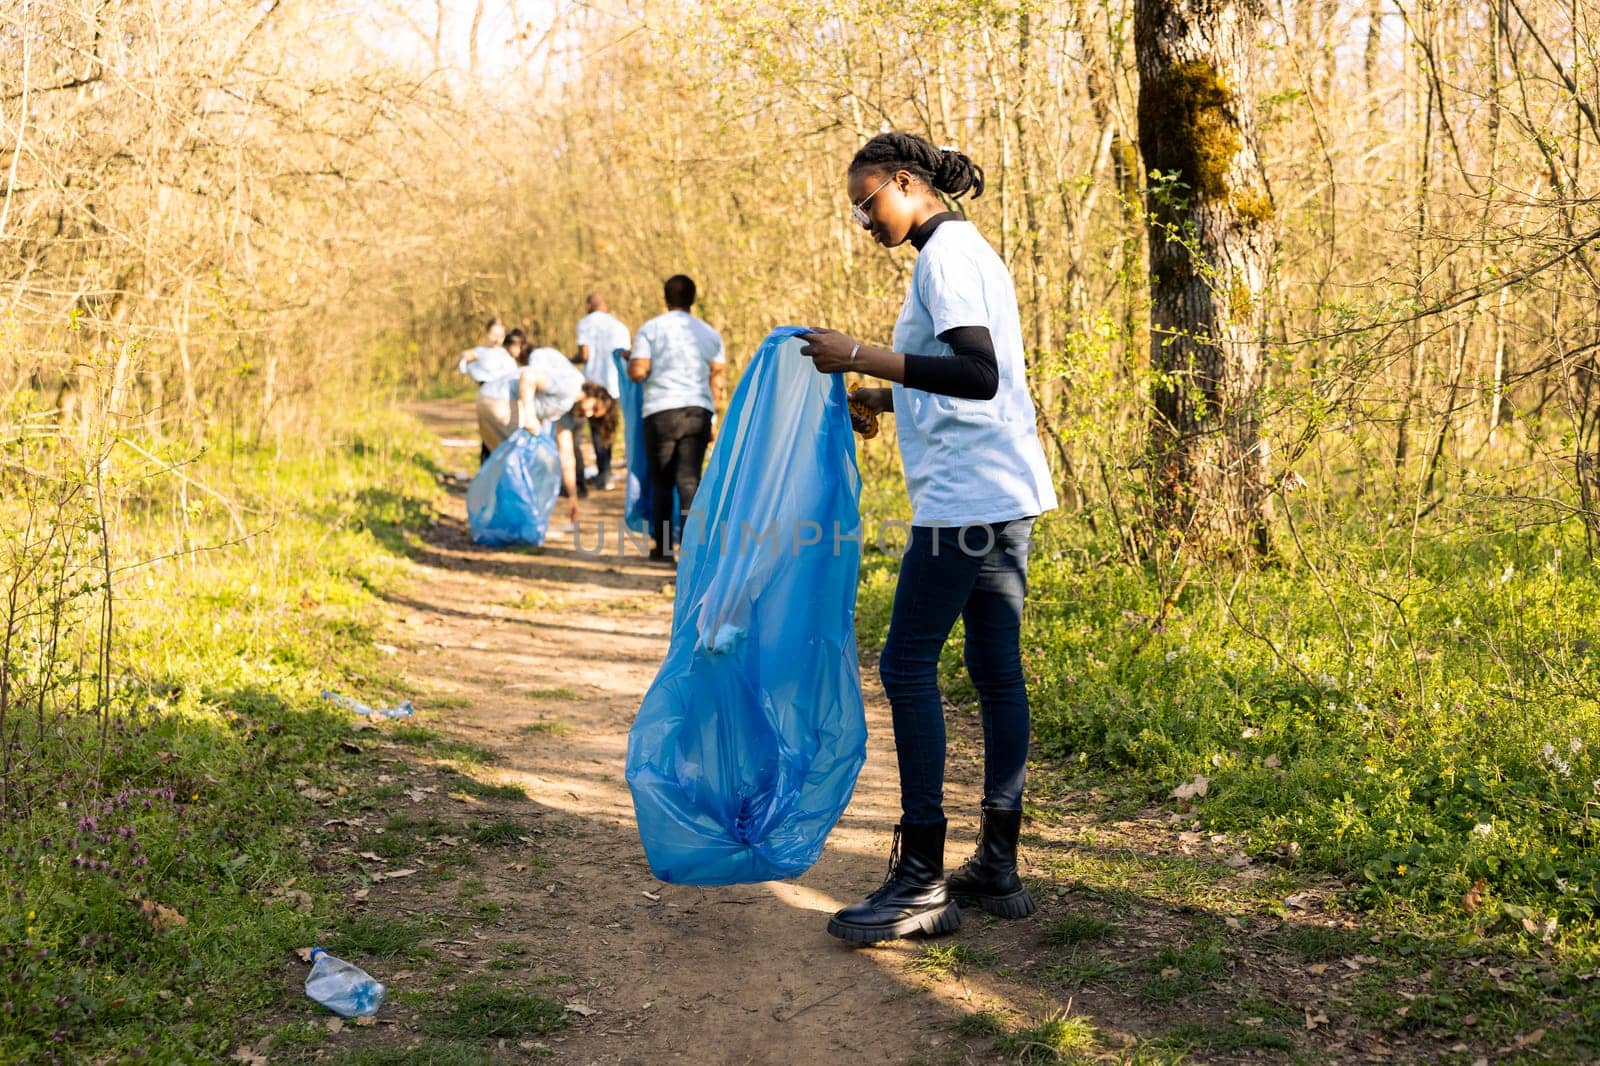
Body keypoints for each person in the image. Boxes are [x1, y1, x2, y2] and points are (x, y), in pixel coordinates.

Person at [799, 132, 1058, 944]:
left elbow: (978, 374)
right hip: (1002, 493)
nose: (864, 219)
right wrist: (880, 394)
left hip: (965, 504)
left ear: (907, 184)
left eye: (868, 201)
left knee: (905, 664)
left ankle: (919, 881)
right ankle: (998, 865)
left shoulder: (943, 258)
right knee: (993, 668)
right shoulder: (966, 250)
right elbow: (963, 380)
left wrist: (857, 356)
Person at [625, 275, 726, 562]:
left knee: (662, 480)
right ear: (693, 300)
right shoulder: (710, 334)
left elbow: (638, 371)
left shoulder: (651, 329)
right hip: (698, 411)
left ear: (665, 298)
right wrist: (713, 416)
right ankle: (694, 551)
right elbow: (717, 378)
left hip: (660, 411)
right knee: (689, 479)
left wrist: (631, 360)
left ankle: (663, 549)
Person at [512, 347, 619, 529]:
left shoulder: (569, 411)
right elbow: (528, 376)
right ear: (593, 395)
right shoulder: (570, 388)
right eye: (593, 408)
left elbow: (567, 456)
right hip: (504, 399)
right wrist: (528, 415)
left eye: (593, 416)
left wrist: (573, 496)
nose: (588, 414)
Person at [575, 293, 631, 491]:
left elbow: (584, 354)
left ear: (589, 304)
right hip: (614, 385)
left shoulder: (585, 324)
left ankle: (601, 472)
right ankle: (606, 473)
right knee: (608, 428)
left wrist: (571, 360)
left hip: (593, 385)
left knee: (594, 429)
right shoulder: (620, 326)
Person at [457, 317, 518, 461]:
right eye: (494, 335)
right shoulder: (479, 352)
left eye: (500, 336)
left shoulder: (507, 354)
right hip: (487, 398)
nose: (497, 340)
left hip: (506, 400)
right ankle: (487, 472)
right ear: (487, 333)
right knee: (488, 438)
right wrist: (464, 358)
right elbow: (462, 364)